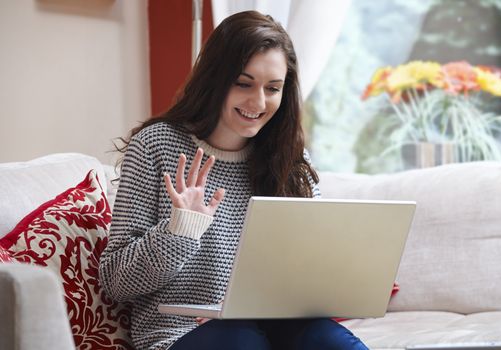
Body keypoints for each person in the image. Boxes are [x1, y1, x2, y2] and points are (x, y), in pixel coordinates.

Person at [99, 10, 369, 350]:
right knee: (240, 340)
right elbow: (115, 282)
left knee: (330, 341)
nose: (258, 102)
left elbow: (305, 275)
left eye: (272, 88)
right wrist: (180, 230)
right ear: (215, 79)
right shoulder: (156, 147)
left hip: (277, 329)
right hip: (180, 335)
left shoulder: (290, 161)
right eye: (243, 83)